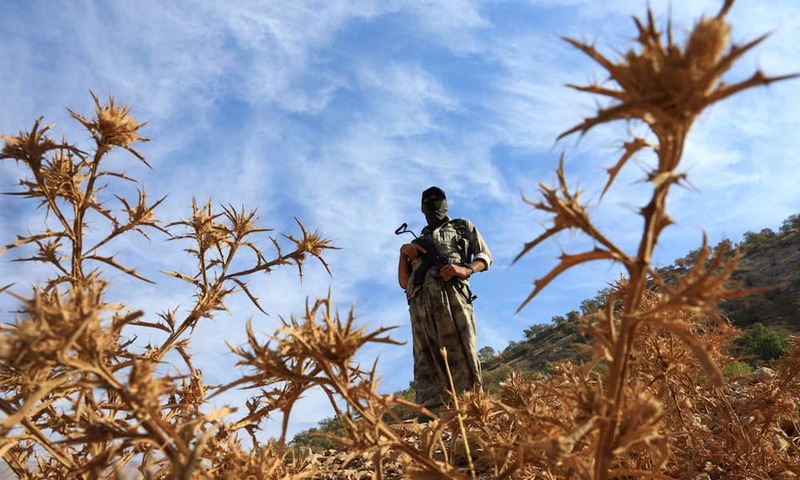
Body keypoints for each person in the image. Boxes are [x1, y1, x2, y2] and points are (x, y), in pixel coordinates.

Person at [398, 186, 492, 420]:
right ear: (422, 207)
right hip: (420, 303)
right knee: (425, 355)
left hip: (453, 295)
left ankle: (470, 406)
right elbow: (404, 282)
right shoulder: (417, 241)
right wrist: (403, 252)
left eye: (437, 198)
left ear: (446, 203)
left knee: (462, 348)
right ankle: (429, 413)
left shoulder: (461, 227)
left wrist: (465, 269)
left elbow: (484, 256)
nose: (432, 202)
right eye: (427, 199)